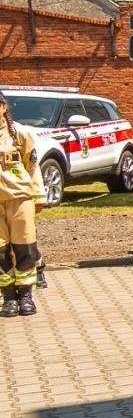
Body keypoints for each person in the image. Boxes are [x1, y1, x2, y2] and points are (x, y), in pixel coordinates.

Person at [0, 89, 45, 317]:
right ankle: (7, 296)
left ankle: (26, 294)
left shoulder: (20, 135)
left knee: (24, 247)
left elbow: (32, 167)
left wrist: (38, 197)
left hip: (20, 199)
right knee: (0, 251)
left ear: (4, 107)